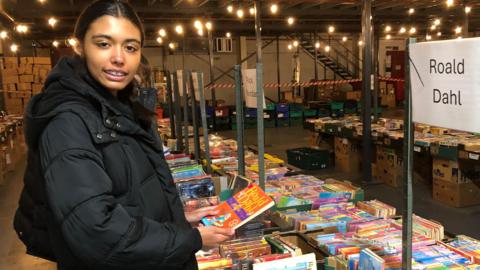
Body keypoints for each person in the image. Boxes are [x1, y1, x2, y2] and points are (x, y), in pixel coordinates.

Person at [13, 1, 234, 269]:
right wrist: (190, 239)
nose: (119, 57)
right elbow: (98, 232)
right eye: (104, 44)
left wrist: (176, 217)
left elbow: (130, 194)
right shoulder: (67, 122)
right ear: (79, 46)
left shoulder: (124, 108)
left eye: (130, 47)